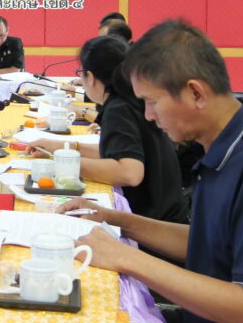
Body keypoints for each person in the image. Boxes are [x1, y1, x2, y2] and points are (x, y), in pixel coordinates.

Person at [57, 20, 243, 323]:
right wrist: (116, 220)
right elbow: (206, 242)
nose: (148, 116)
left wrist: (126, 257)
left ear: (195, 93)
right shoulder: (222, 146)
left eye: (152, 102)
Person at [27, 35, 188, 225]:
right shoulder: (131, 99)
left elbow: (130, 172)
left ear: (91, 77)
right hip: (169, 213)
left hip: (154, 223)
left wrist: (65, 164)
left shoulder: (119, 109)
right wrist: (60, 147)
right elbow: (120, 152)